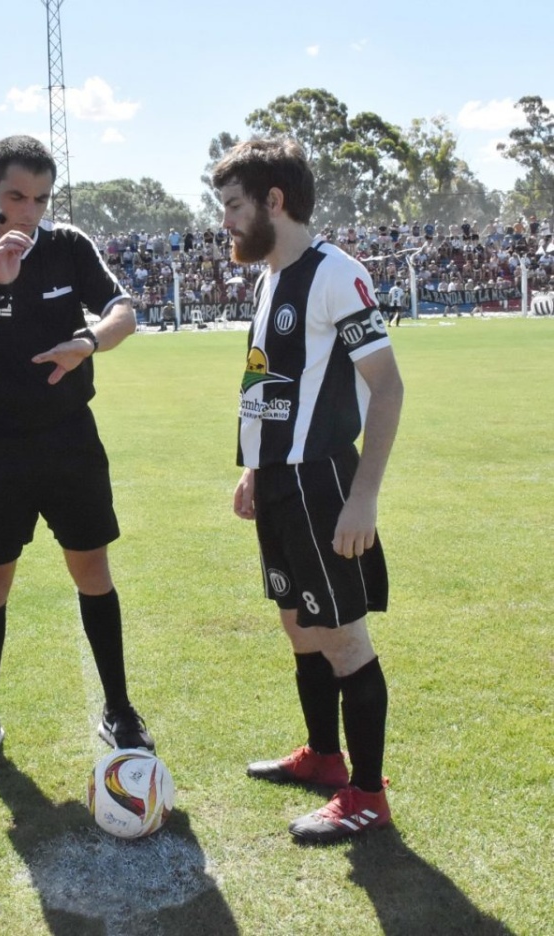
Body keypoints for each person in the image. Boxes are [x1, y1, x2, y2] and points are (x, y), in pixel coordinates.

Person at [0, 134, 154, 772]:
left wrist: (90, 342)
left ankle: (120, 708)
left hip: (70, 439)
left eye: (41, 198)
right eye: (16, 196)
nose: (28, 211)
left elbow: (124, 312)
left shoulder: (70, 246)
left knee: (93, 574)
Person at [212, 138, 404, 844]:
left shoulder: (335, 274)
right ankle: (325, 758)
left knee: (343, 637)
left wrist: (365, 498)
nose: (226, 221)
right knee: (299, 624)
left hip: (325, 482)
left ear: (274, 201)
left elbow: (388, 388)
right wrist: (254, 469)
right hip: (280, 482)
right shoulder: (267, 278)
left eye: (234, 206)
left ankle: (368, 794)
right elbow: (269, 383)